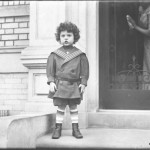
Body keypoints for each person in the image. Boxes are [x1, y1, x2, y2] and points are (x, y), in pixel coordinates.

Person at [46, 21, 89, 139]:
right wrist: (51, 82)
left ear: (74, 37)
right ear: (59, 38)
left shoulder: (80, 55)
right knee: (61, 107)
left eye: (69, 35)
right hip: (60, 85)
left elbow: (85, 71)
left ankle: (75, 129)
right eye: (63, 36)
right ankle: (57, 129)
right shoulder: (54, 54)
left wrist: (83, 83)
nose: (66, 38)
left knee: (74, 107)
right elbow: (50, 70)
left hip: (74, 85)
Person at [126, 3, 150, 89]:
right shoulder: (144, 9)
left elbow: (149, 32)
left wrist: (135, 26)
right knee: (146, 69)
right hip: (146, 44)